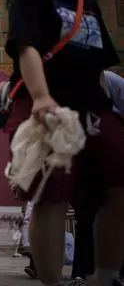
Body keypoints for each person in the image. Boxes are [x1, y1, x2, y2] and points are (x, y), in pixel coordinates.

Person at [3, 0, 124, 286]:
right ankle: (53, 282)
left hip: (94, 108)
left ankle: (105, 276)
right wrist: (41, 97)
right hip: (50, 106)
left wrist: (108, 107)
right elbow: (27, 48)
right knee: (52, 195)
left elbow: (101, 64)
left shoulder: (88, 5)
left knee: (118, 184)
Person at [71, 71, 124, 282]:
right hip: (86, 159)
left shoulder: (113, 83)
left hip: (109, 153)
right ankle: (81, 273)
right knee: (84, 220)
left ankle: (114, 272)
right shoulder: (65, 86)